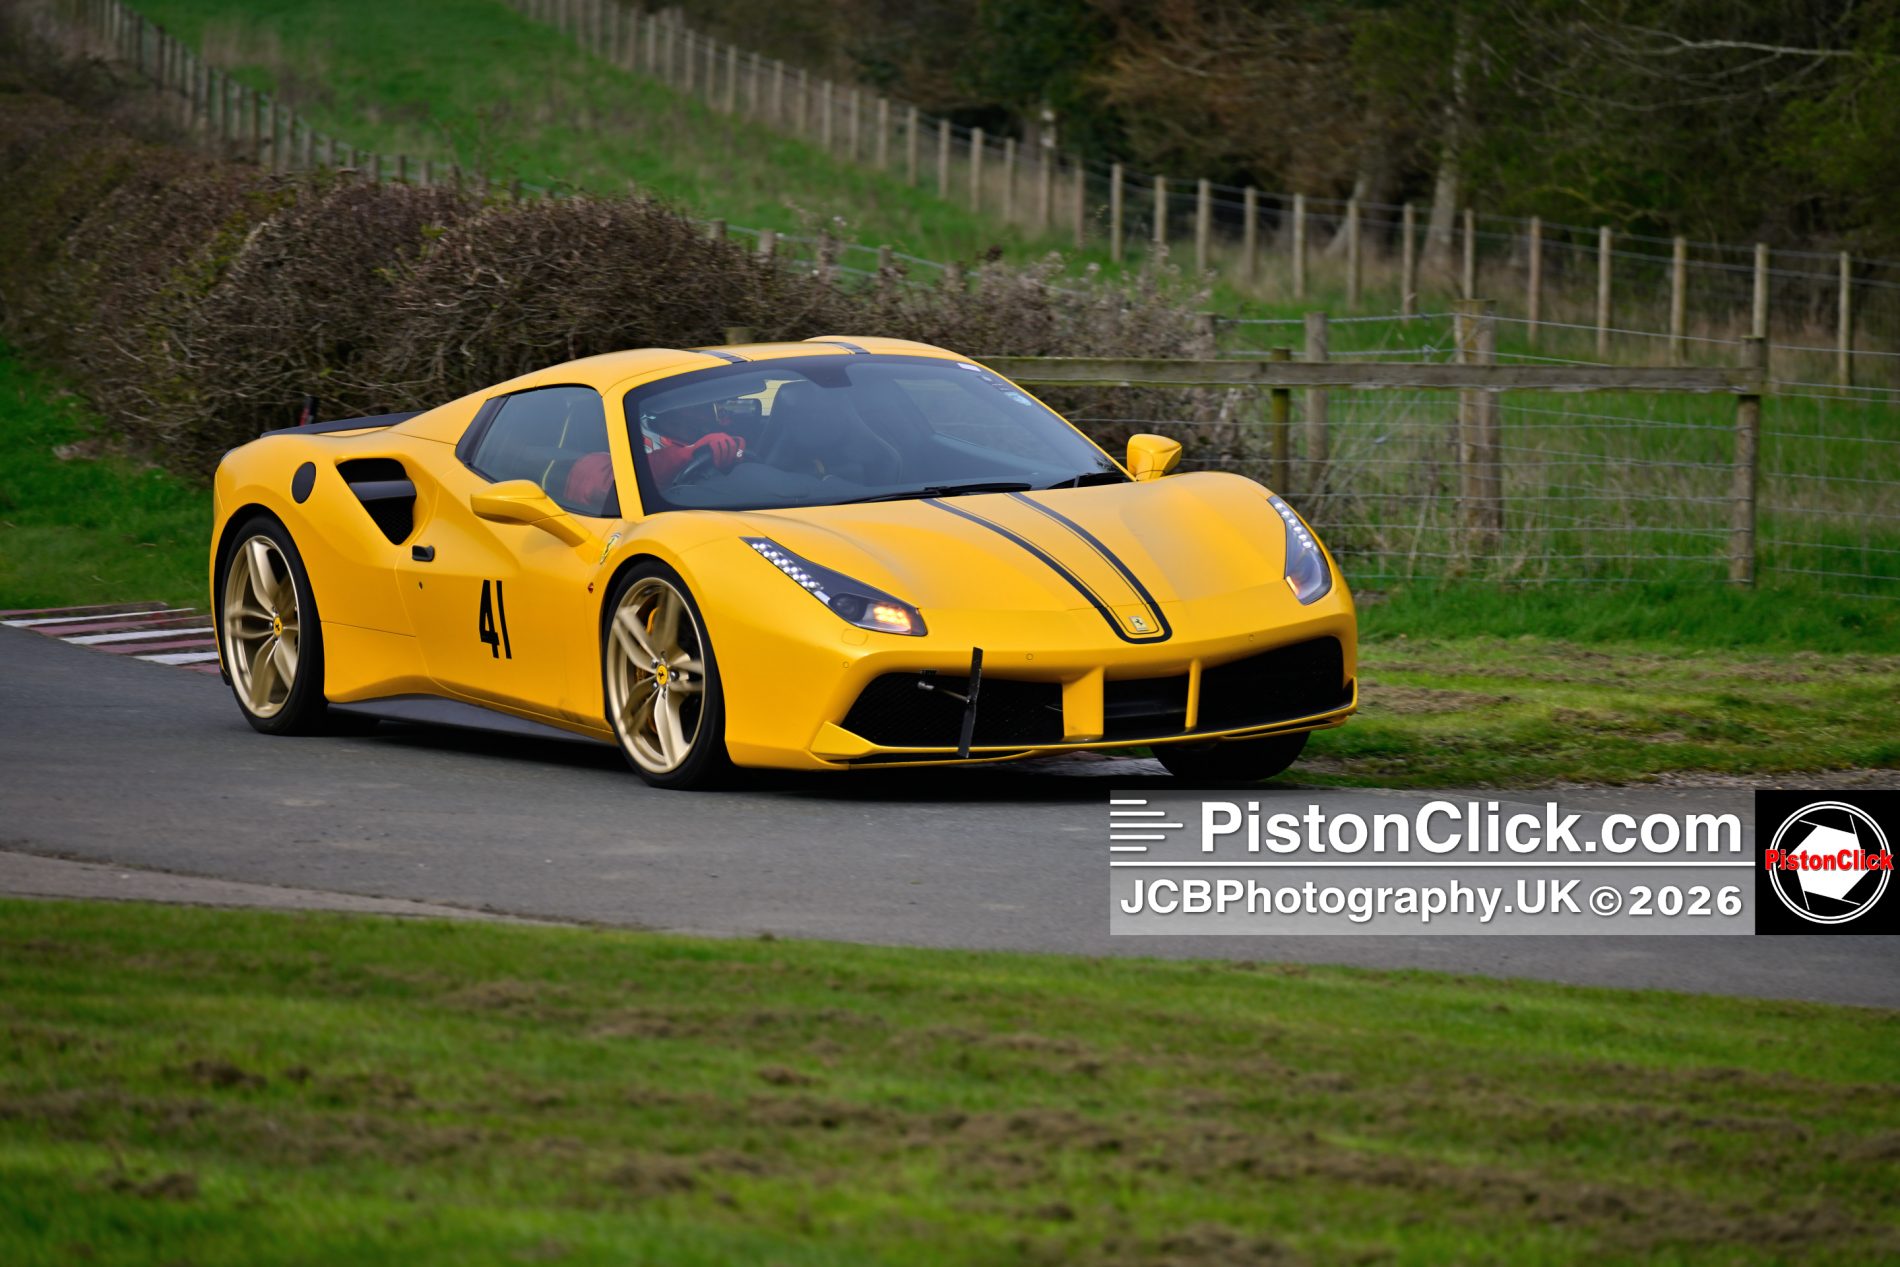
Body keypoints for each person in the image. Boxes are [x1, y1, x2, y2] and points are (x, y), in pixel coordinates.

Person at [641, 401, 747, 485]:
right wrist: (691, 452)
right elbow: (647, 469)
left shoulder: (713, 433)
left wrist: (732, 451)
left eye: (706, 408)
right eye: (676, 423)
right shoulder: (643, 435)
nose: (702, 416)